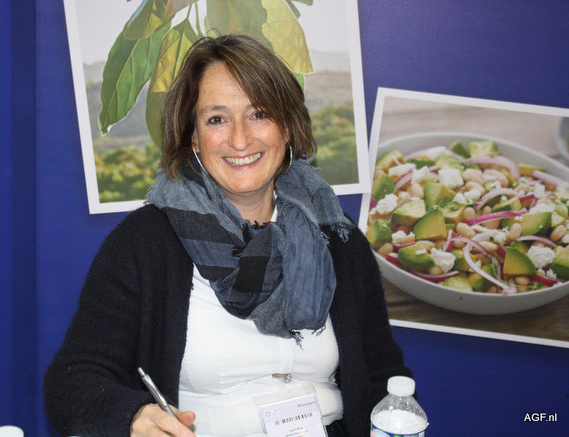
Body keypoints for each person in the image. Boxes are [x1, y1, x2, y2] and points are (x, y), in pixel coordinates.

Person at [44, 34, 411, 437]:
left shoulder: (337, 237)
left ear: (288, 127)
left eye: (259, 114)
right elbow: (72, 381)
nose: (240, 139)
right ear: (194, 138)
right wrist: (133, 417)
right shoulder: (143, 243)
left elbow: (382, 372)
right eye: (216, 119)